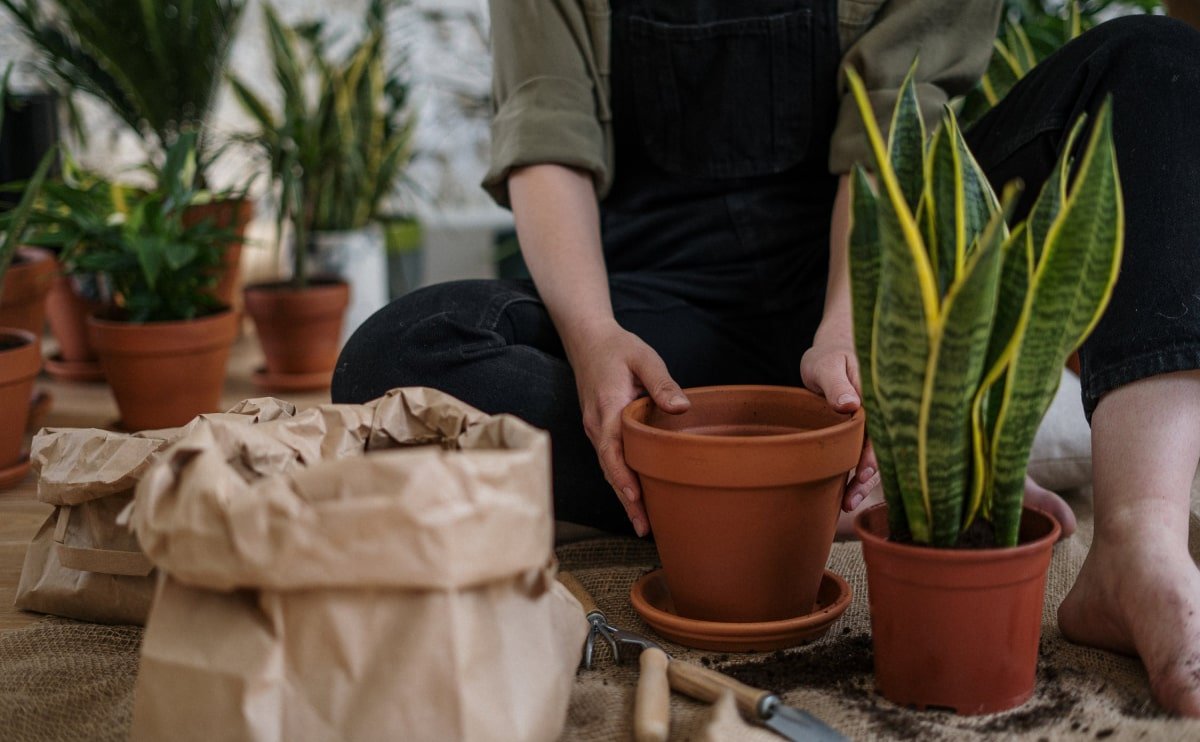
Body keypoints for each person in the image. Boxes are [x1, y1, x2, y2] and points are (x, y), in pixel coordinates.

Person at [333, 1, 1200, 716]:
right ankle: (820, 489)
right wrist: (594, 337)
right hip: (658, 314)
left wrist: (851, 334)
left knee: (1152, 60)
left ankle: (1138, 543)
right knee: (398, 354)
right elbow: (546, 135)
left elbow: (895, 127)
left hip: (882, 268)